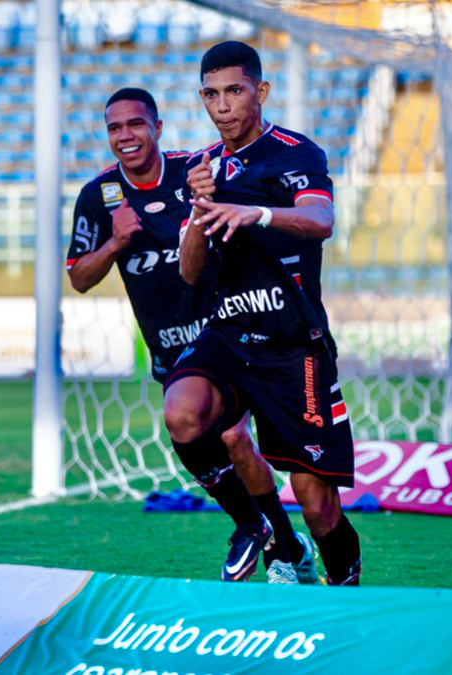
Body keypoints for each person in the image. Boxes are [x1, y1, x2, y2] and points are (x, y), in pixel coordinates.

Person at [67, 87, 320, 584]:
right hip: (169, 349)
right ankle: (281, 542)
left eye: (136, 124)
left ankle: (266, 538)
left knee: (233, 437)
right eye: (115, 128)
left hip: (228, 335)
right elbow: (78, 277)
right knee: (194, 432)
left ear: (157, 128)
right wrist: (118, 240)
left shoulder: (195, 172)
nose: (126, 136)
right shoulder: (99, 197)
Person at [166, 41, 362, 585]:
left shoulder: (294, 153)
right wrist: (202, 212)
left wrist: (253, 213)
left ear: (261, 91)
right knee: (184, 412)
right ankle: (260, 529)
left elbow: (320, 219)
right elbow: (188, 272)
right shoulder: (203, 168)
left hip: (291, 342)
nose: (222, 105)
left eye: (234, 90)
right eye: (211, 94)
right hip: (229, 335)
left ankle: (345, 592)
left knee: (317, 502)